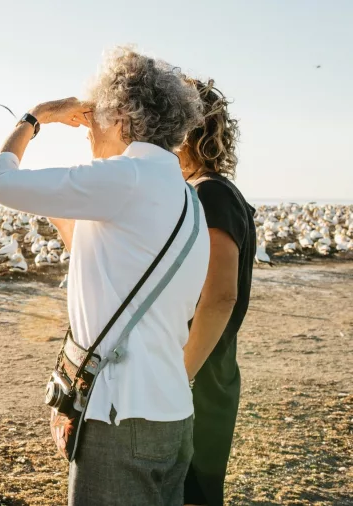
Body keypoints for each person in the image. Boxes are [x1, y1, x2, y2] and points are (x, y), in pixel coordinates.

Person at [0, 46, 210, 505]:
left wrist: (36, 117)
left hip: (120, 416)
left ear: (122, 116)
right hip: (172, 413)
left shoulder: (125, 179)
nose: (86, 131)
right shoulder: (187, 199)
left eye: (94, 116)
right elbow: (106, 260)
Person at [178, 79, 253, 506]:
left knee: (194, 487)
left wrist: (180, 373)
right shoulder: (214, 190)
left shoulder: (209, 194)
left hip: (201, 371)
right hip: (210, 365)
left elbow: (220, 296)